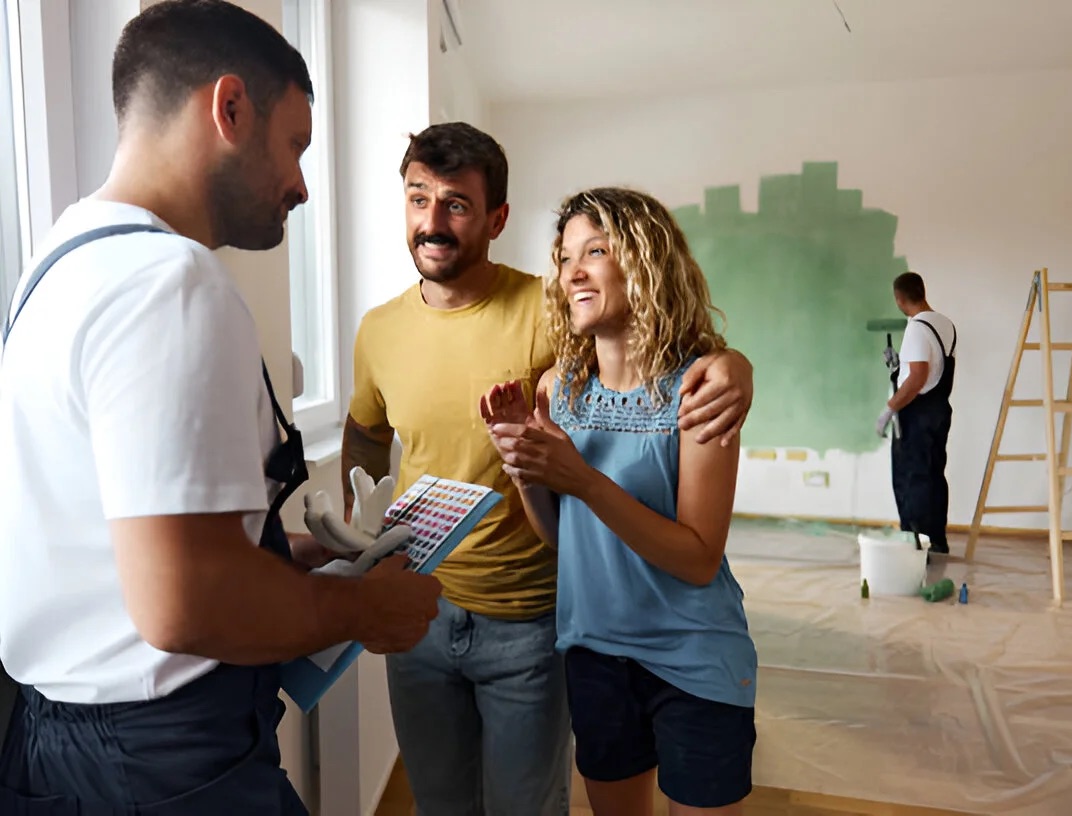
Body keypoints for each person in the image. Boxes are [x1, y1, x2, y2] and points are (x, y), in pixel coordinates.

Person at [0, 2, 442, 813]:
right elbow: (182, 603)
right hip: (166, 764)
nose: (302, 185)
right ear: (229, 108)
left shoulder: (56, 267)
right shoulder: (168, 283)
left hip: (55, 748)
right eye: (296, 146)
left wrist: (277, 554)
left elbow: (118, 549)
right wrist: (367, 606)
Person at [343, 123, 755, 815]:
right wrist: (369, 542)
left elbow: (663, 355)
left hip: (534, 622)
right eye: (417, 198)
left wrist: (736, 368)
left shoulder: (554, 310)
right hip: (431, 612)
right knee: (440, 803)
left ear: (497, 217)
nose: (432, 221)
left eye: (456, 203)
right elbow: (365, 435)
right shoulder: (389, 332)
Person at [480, 186, 758, 816]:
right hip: (595, 653)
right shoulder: (558, 388)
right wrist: (528, 469)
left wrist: (578, 476)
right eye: (565, 256)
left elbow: (697, 559)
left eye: (596, 251)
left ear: (645, 263)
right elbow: (561, 538)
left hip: (694, 658)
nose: (571, 272)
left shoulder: (700, 386)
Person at [875, 271, 957, 555]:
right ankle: (936, 540)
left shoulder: (917, 328)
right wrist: (900, 365)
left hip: (917, 415)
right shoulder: (945, 324)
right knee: (933, 475)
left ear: (899, 298)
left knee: (911, 478)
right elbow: (929, 369)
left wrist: (890, 408)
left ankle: (914, 545)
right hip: (938, 410)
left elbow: (918, 378)